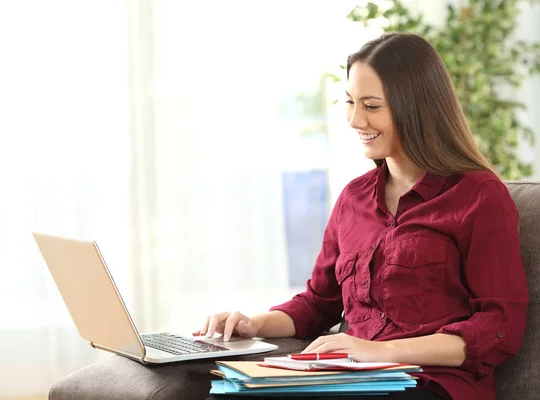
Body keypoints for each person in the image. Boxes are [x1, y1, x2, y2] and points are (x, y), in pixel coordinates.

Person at [194, 32, 529, 400]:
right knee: (227, 394)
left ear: (414, 107)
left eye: (371, 106)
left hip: (430, 385)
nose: (355, 120)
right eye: (350, 102)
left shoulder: (478, 195)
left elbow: (499, 328)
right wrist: (252, 323)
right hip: (351, 379)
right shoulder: (353, 197)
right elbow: (317, 304)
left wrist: (381, 351)